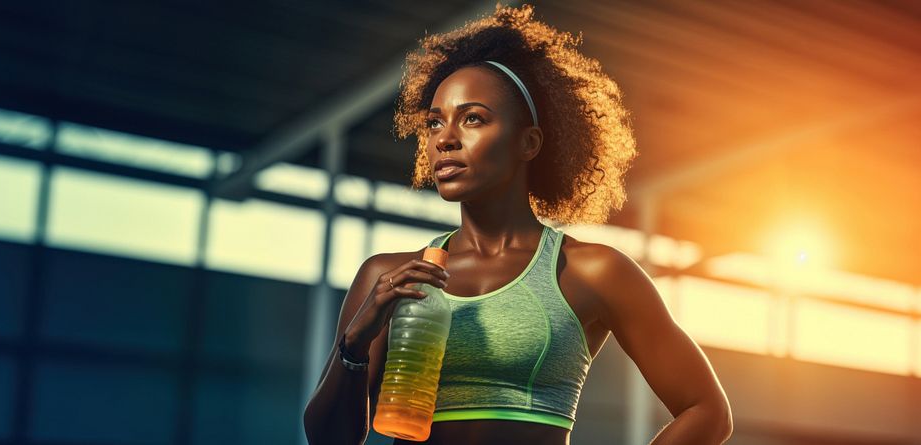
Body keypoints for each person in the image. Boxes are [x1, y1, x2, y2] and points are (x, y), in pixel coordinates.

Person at [303, 4, 732, 445]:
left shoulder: (592, 271)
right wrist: (355, 342)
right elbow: (330, 440)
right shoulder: (386, 279)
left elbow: (708, 411)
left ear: (529, 141)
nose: (445, 138)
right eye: (434, 122)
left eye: (472, 118)